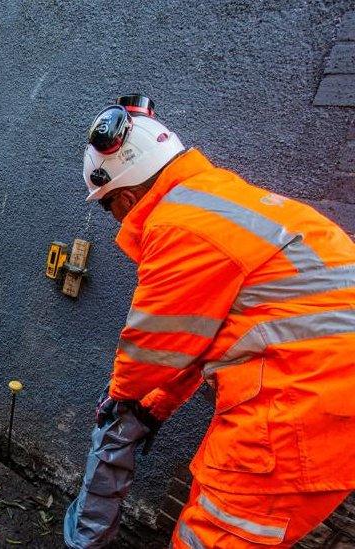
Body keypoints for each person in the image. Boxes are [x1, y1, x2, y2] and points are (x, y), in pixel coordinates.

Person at [75, 94, 355, 548]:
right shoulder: (219, 200)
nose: (116, 221)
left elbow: (152, 346)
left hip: (295, 411)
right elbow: (195, 342)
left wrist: (121, 401)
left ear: (125, 197)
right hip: (321, 403)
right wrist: (154, 406)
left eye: (110, 208)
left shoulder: (177, 225)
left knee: (213, 536)